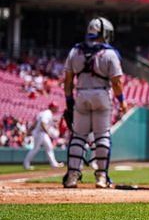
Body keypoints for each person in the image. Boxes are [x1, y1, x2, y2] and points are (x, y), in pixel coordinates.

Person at [62, 17, 127, 189]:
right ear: (104, 32)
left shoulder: (75, 51)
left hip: (81, 94)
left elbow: (68, 80)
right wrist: (122, 101)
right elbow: (117, 83)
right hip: (101, 94)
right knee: (102, 136)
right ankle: (101, 177)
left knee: (78, 136)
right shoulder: (110, 53)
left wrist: (69, 101)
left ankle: (72, 176)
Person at [23, 102, 63, 170]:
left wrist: (30, 130)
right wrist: (48, 133)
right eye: (55, 107)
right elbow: (42, 123)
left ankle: (54, 164)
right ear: (52, 107)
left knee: (49, 147)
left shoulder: (44, 113)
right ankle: (26, 163)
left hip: (41, 133)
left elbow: (36, 122)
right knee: (35, 149)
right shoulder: (48, 113)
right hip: (40, 133)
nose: (57, 109)